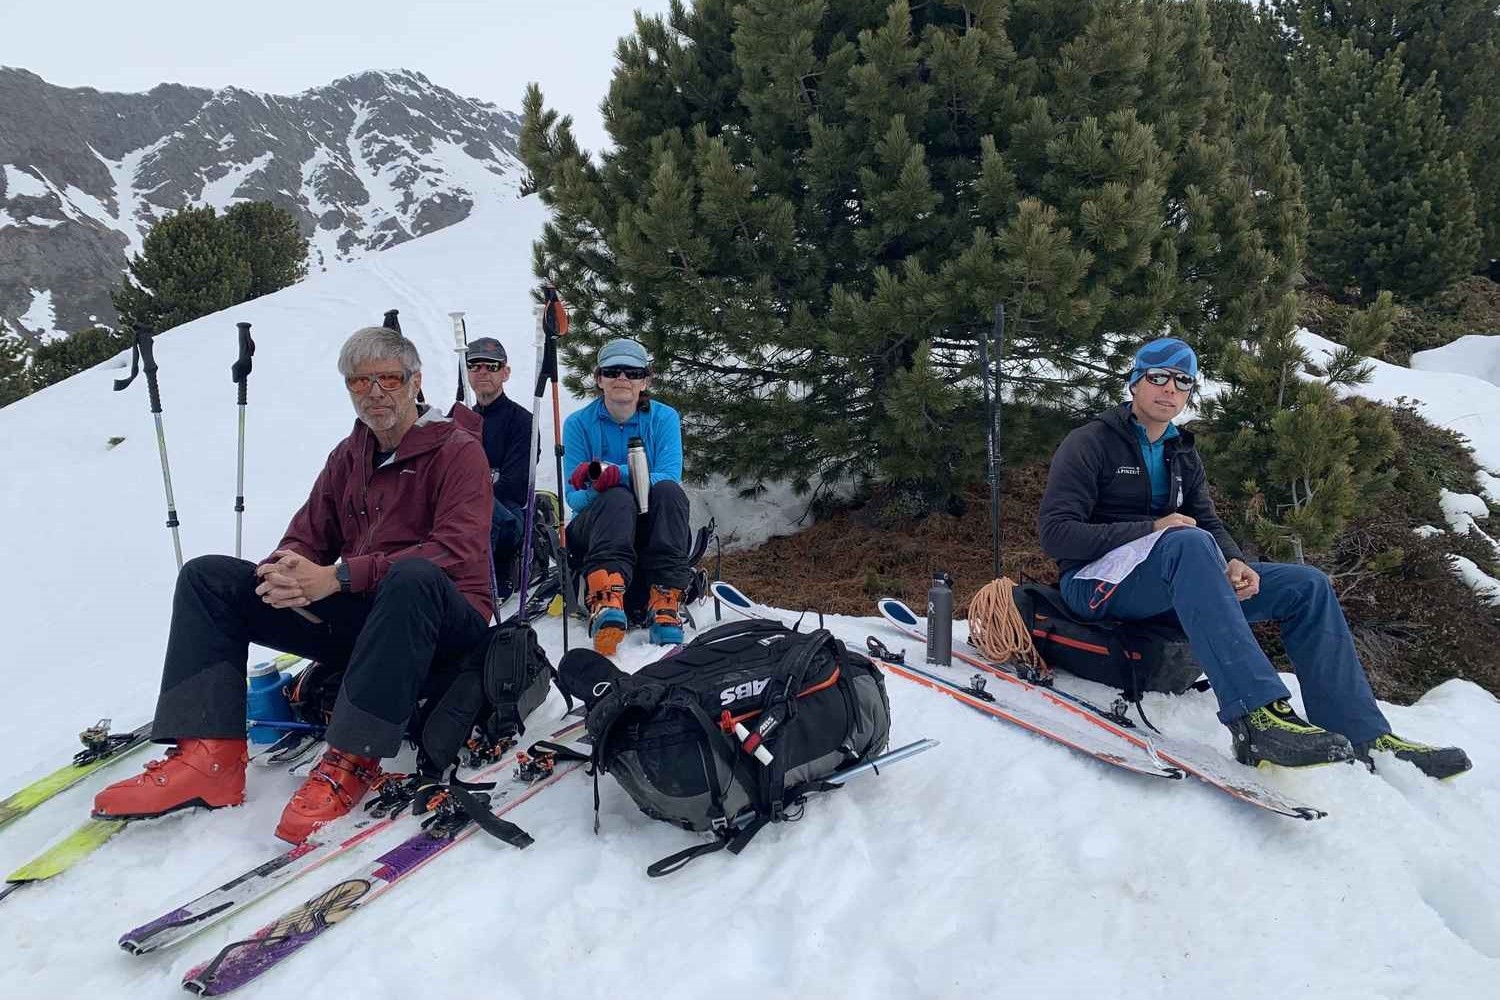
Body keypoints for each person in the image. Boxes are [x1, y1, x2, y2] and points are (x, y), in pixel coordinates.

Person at [93, 325, 494, 842]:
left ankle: (353, 757)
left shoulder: (458, 451)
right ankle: (209, 755)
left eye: (389, 378)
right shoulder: (348, 457)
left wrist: (339, 576)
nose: (375, 392)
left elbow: (454, 550)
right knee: (209, 577)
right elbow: (307, 534)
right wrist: (285, 570)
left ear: (416, 381)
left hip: (445, 625)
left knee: (412, 576)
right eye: (359, 382)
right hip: (367, 619)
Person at [1037, 337, 1471, 779]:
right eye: (1158, 377)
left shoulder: (1181, 450)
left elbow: (1205, 519)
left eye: (1182, 381)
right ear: (1134, 383)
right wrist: (1150, 529)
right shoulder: (1090, 443)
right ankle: (1256, 720)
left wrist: (1233, 561)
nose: (1170, 388)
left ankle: (1362, 734)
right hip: (1095, 585)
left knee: (1306, 586)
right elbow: (1056, 535)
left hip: (1171, 578)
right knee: (1187, 543)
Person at [562, 338, 691, 655]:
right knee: (618, 499)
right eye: (613, 371)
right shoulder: (578, 424)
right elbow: (574, 499)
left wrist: (611, 474)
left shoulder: (663, 419)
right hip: (597, 531)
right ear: (599, 378)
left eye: (632, 372)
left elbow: (669, 476)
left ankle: (665, 601)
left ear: (645, 380)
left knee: (669, 493)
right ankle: (606, 598)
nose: (622, 378)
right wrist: (604, 487)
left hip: (648, 523)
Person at [464, 336, 533, 597]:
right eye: (475, 365)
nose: (482, 372)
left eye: (491, 366)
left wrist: (471, 492)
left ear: (505, 372)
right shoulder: (457, 422)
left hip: (507, 517)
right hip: (463, 517)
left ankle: (485, 579)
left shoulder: (522, 421)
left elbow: (514, 485)